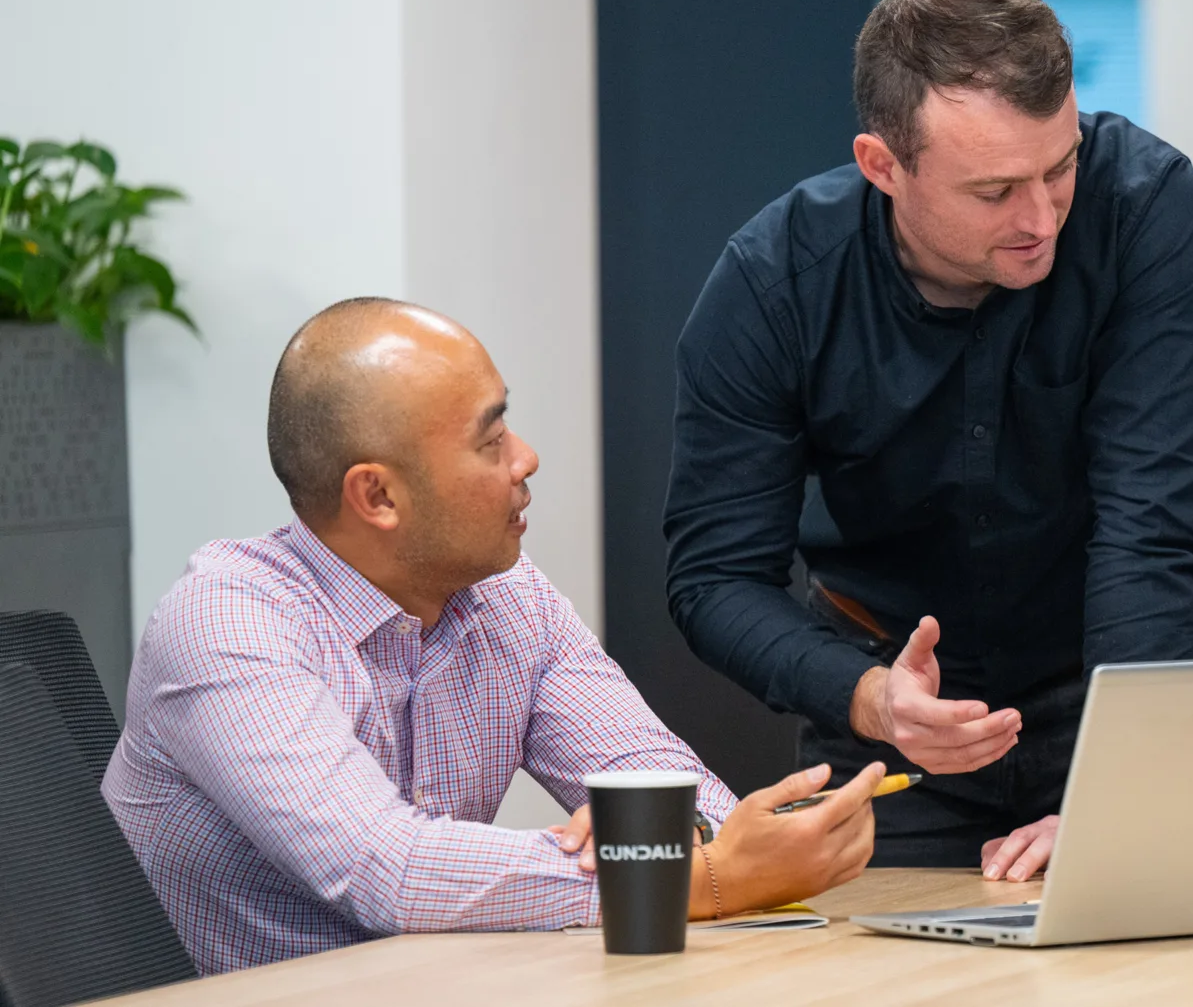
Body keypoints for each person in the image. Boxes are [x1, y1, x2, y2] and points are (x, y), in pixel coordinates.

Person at [102, 298, 885, 974]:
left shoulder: (507, 595)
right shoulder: (229, 623)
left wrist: (688, 839)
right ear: (377, 494)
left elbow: (654, 783)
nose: (527, 458)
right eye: (491, 439)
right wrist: (693, 876)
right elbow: (388, 871)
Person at [662, 0, 1193, 877]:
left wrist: (1129, 785)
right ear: (882, 166)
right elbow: (714, 578)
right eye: (995, 191)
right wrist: (870, 696)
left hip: (1104, 695)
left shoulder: (1143, 209)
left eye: (1060, 165)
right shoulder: (776, 286)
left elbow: (1149, 528)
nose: (1041, 217)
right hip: (891, 728)